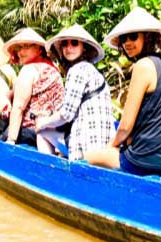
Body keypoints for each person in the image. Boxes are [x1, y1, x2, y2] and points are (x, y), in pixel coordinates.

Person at [85, 7, 161, 176]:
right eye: (123, 38)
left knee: (90, 157)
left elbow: (125, 126)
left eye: (133, 37)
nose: (127, 43)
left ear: (147, 37)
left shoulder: (142, 66)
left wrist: (110, 147)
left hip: (147, 159)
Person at [35, 24, 115, 160]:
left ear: (83, 47)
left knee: (42, 131)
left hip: (87, 148)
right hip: (104, 146)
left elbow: (66, 114)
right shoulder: (91, 70)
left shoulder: (77, 70)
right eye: (65, 44)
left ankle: (50, 173)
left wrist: (43, 122)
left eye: (74, 43)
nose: (69, 48)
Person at [2, 28, 65, 150]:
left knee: (1, 133)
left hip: (33, 129)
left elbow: (19, 107)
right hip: (54, 127)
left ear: (38, 48)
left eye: (26, 46)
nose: (21, 52)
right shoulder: (53, 68)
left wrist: (10, 140)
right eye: (19, 48)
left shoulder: (28, 70)